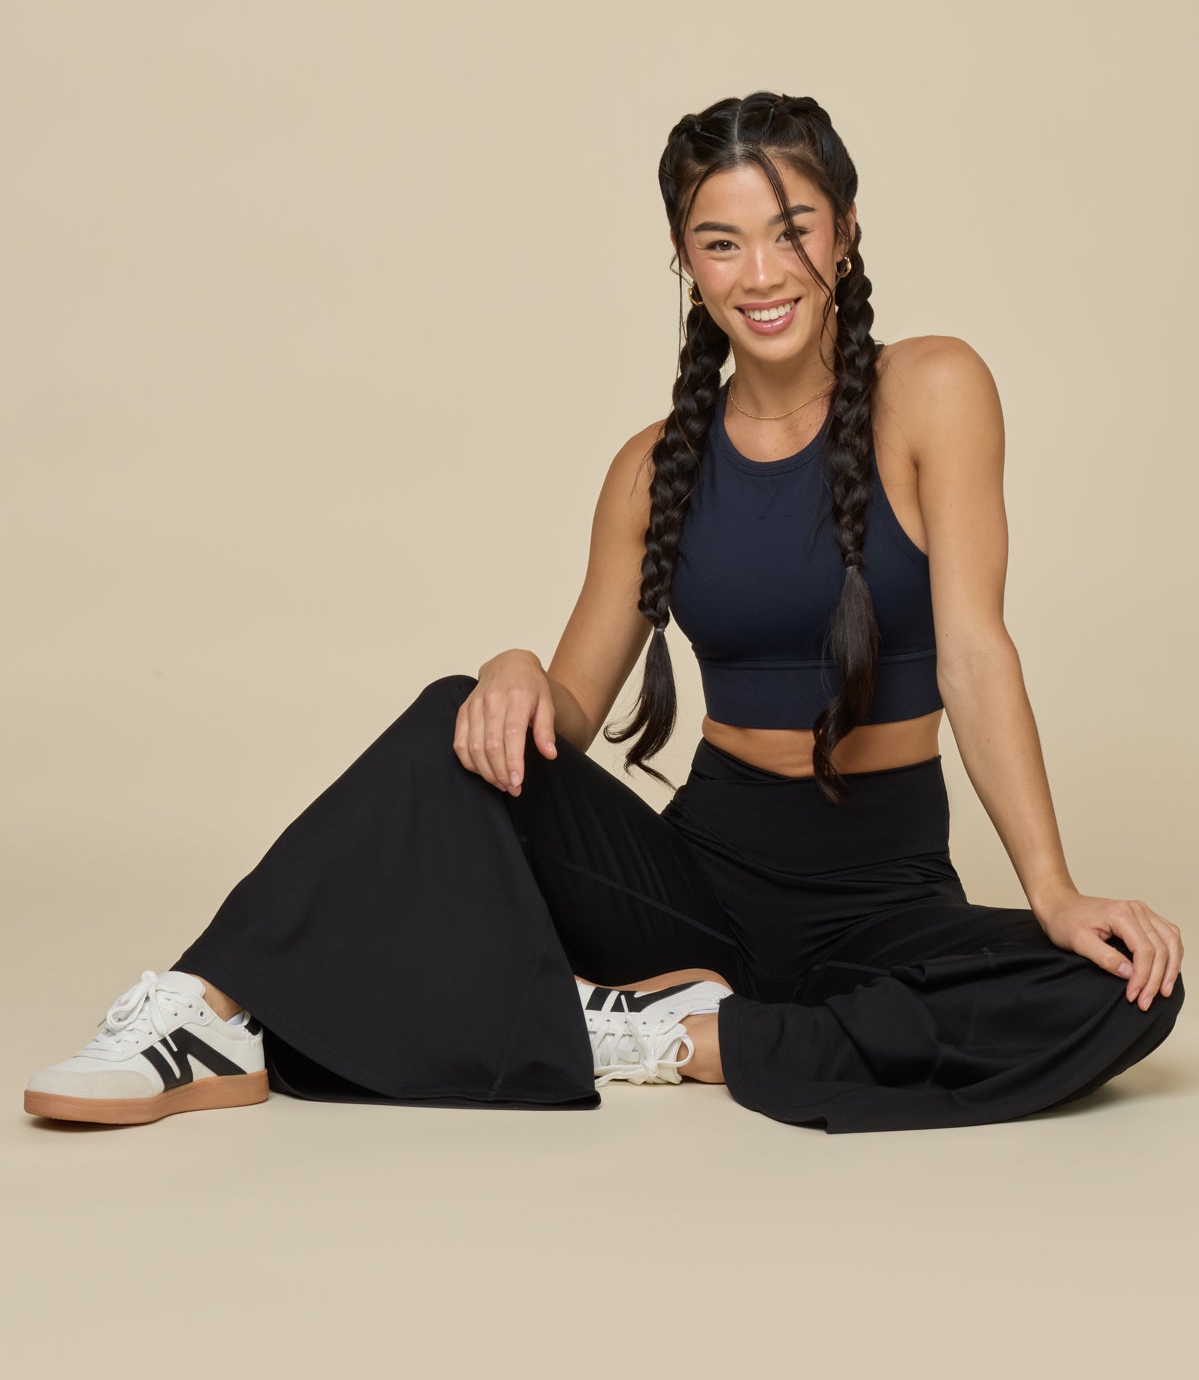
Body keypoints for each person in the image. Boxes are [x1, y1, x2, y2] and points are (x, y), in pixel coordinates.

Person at [25, 91, 1185, 1133]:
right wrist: (512, 665)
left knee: (1123, 989)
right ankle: (203, 1010)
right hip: (693, 898)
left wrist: (1050, 888)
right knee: (449, 713)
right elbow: (566, 712)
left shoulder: (932, 388)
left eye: (790, 230)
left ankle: (674, 1036)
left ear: (843, 230)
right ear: (685, 260)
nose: (760, 272)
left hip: (882, 904)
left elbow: (974, 653)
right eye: (720, 242)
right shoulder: (650, 467)